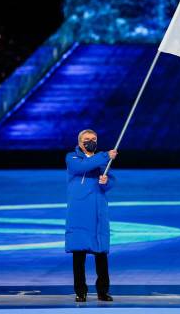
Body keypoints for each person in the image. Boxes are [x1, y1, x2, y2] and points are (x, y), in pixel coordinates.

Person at [65, 129, 117, 303]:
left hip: (97, 212)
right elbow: (81, 167)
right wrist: (106, 155)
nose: (90, 142)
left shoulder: (103, 162)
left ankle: (103, 291)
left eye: (94, 139)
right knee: (78, 254)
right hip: (79, 212)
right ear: (80, 142)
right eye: (87, 139)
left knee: (100, 253)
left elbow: (111, 181)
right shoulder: (72, 158)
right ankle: (81, 291)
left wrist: (106, 182)